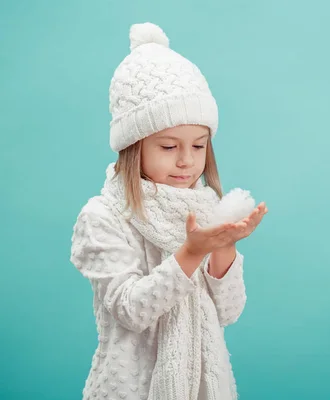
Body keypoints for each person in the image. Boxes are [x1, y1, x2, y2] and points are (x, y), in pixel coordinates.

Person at [70, 22, 267, 400]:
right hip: (132, 388)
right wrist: (192, 252)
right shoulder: (103, 217)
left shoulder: (205, 207)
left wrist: (224, 245)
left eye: (198, 146)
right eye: (168, 146)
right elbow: (131, 310)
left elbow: (228, 311)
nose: (186, 161)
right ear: (133, 145)